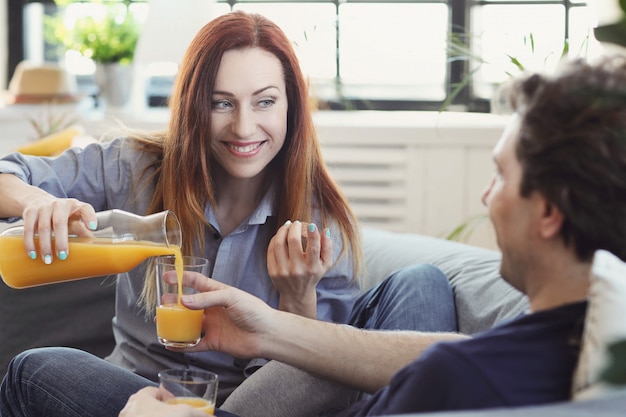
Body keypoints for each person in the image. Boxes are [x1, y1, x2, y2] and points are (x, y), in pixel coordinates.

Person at [121, 54, 626, 415]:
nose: (486, 197)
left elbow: (446, 362)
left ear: (548, 212)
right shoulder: (581, 344)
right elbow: (443, 350)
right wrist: (273, 327)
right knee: (423, 281)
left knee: (45, 370)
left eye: (500, 177)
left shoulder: (459, 375)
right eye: (222, 103)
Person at [0, 10, 372, 413]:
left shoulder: (321, 225)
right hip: (132, 396)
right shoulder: (136, 167)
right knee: (36, 369)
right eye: (221, 103)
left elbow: (317, 377)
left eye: (265, 101)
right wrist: (34, 201)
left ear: (291, 107)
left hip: (243, 407)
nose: (244, 127)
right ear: (194, 106)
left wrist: (298, 300)